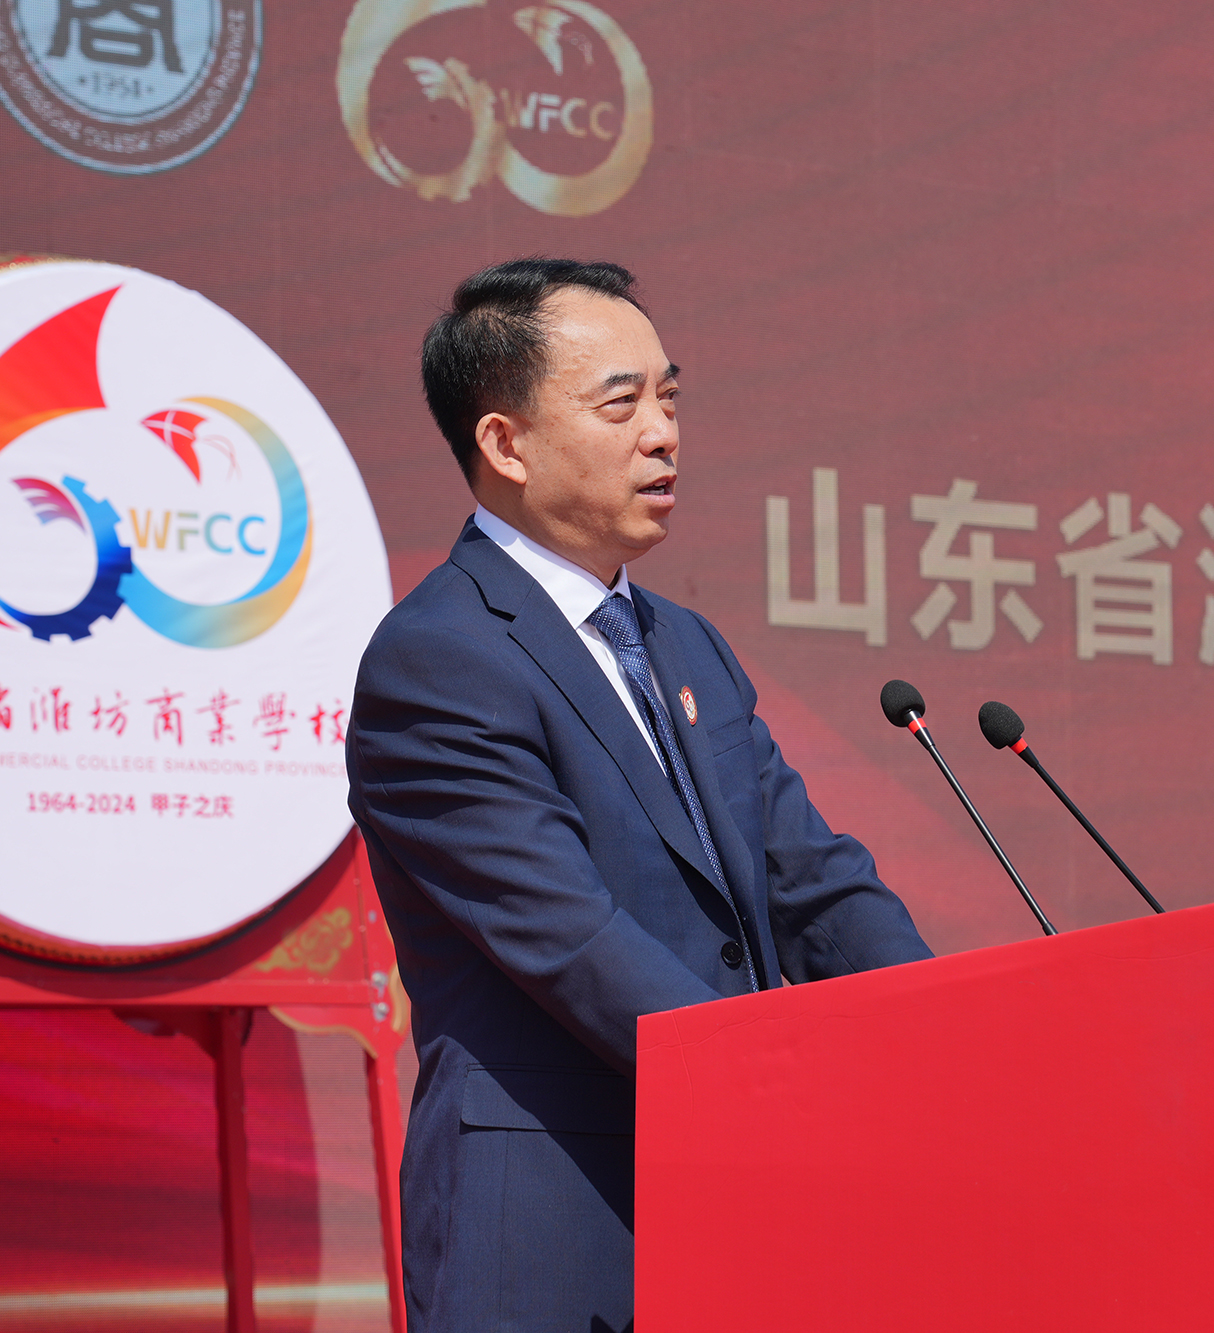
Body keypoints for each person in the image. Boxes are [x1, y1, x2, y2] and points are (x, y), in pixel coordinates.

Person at [345, 258, 933, 1333]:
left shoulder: (685, 643)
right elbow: (570, 939)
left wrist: (948, 1034)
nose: (663, 434)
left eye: (670, 397)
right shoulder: (439, 659)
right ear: (506, 443)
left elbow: (810, 882)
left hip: (732, 1207)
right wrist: (777, 1089)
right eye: (621, 405)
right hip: (556, 1225)